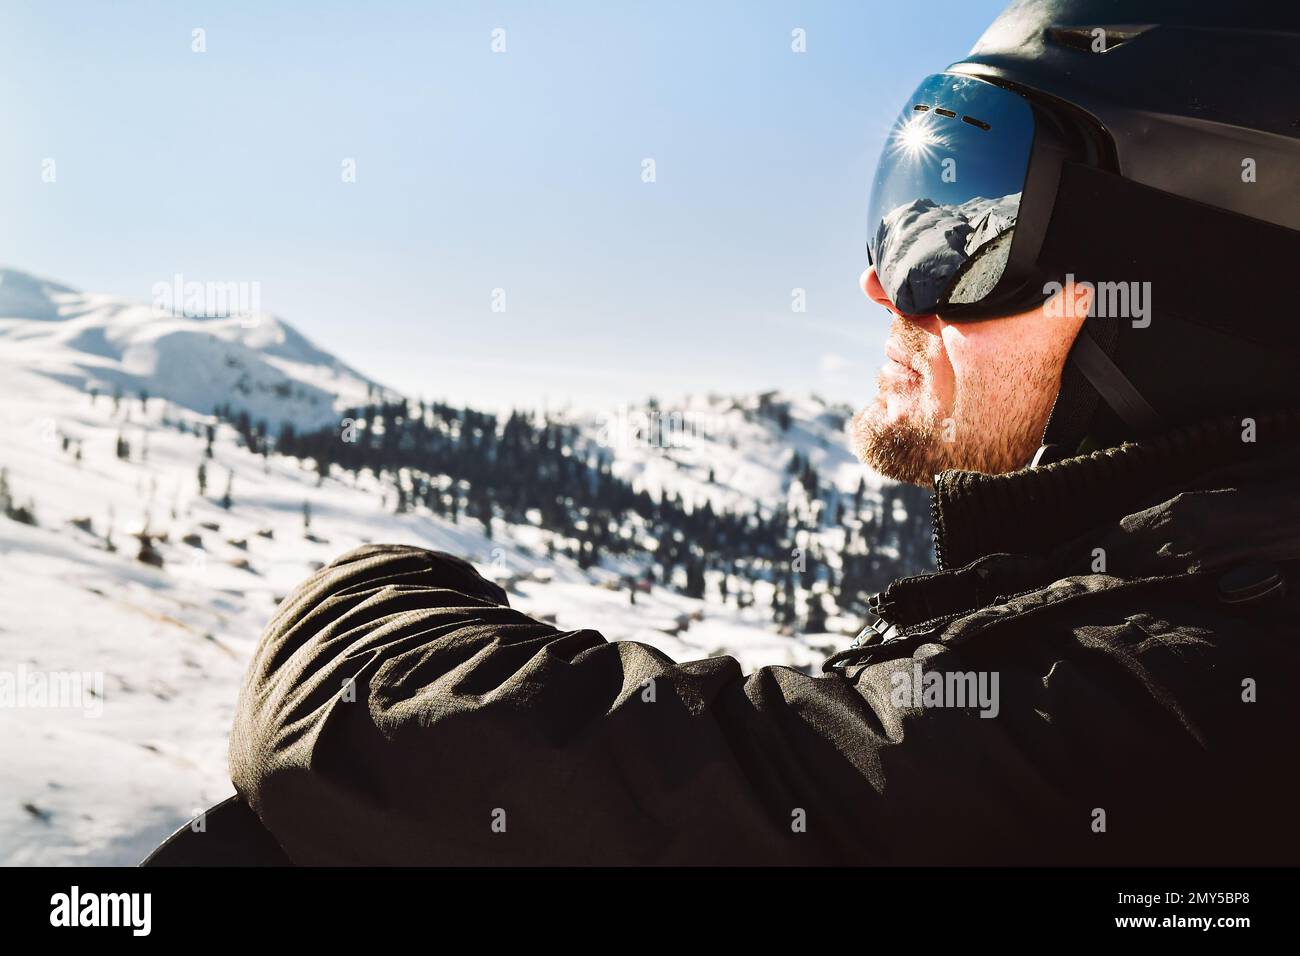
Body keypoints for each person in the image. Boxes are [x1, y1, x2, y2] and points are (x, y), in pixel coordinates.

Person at [227, 0, 1300, 864]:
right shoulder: (1174, 608)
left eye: (962, 222)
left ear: (1175, 286)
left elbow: (421, 761)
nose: (883, 282)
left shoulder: (1176, 702)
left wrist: (370, 590)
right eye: (905, 201)